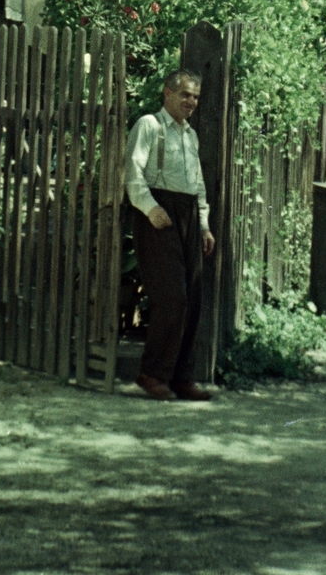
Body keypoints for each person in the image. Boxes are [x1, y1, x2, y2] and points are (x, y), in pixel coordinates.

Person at [125, 68, 216, 401]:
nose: (191, 101)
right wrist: (150, 208)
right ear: (168, 93)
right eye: (185, 94)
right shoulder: (149, 126)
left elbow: (198, 184)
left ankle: (180, 377)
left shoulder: (190, 135)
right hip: (158, 213)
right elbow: (133, 173)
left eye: (195, 96)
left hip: (189, 214)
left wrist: (203, 225)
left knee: (192, 299)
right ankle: (151, 373)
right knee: (172, 297)